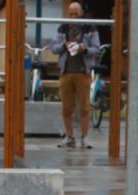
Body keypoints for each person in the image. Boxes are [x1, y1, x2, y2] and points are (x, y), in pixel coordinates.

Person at [50, 2, 100, 149]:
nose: (73, 16)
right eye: (70, 14)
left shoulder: (90, 28)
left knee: (84, 107)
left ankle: (84, 138)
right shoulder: (62, 28)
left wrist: (84, 49)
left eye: (75, 13)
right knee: (66, 107)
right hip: (66, 72)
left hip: (83, 72)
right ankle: (69, 136)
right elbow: (53, 47)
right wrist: (64, 46)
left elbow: (96, 49)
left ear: (81, 14)